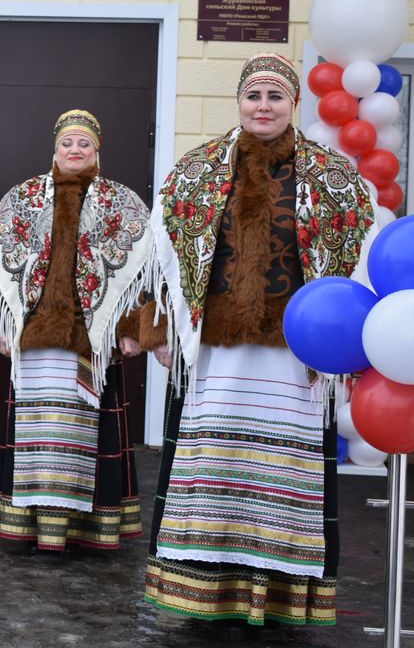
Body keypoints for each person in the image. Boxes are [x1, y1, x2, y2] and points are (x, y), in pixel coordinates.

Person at [137, 53, 376, 627]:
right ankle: (205, 593)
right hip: (215, 353)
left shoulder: (334, 177)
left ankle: (277, 597)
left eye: (275, 97)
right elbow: (160, 261)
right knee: (212, 464)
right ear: (239, 102)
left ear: (295, 104)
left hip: (298, 357)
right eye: (253, 96)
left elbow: (358, 264)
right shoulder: (195, 171)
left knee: (284, 471)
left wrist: (345, 343)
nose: (262, 107)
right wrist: (161, 330)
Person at [0, 109, 153, 553]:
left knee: (83, 432)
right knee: (36, 431)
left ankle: (83, 530)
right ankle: (28, 526)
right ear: (54, 149)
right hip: (35, 340)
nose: (74, 151)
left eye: (84, 144)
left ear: (98, 151)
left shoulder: (123, 203)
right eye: (67, 144)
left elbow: (142, 272)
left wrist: (134, 328)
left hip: (91, 342)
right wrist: (1, 325)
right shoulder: (22, 198)